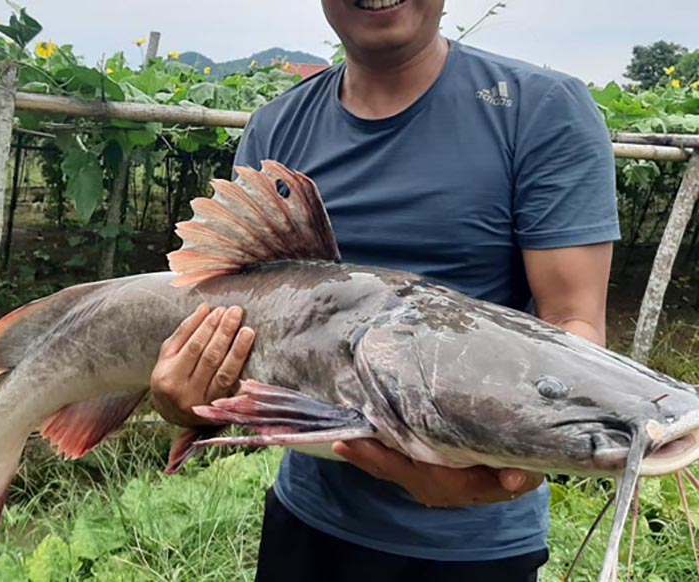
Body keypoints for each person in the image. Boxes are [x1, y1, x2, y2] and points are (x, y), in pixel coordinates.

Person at [150, 1, 620, 580]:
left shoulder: (541, 110)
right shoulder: (277, 126)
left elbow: (573, 327)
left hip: (470, 547)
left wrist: (517, 472)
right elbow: (245, 329)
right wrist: (191, 404)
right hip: (307, 520)